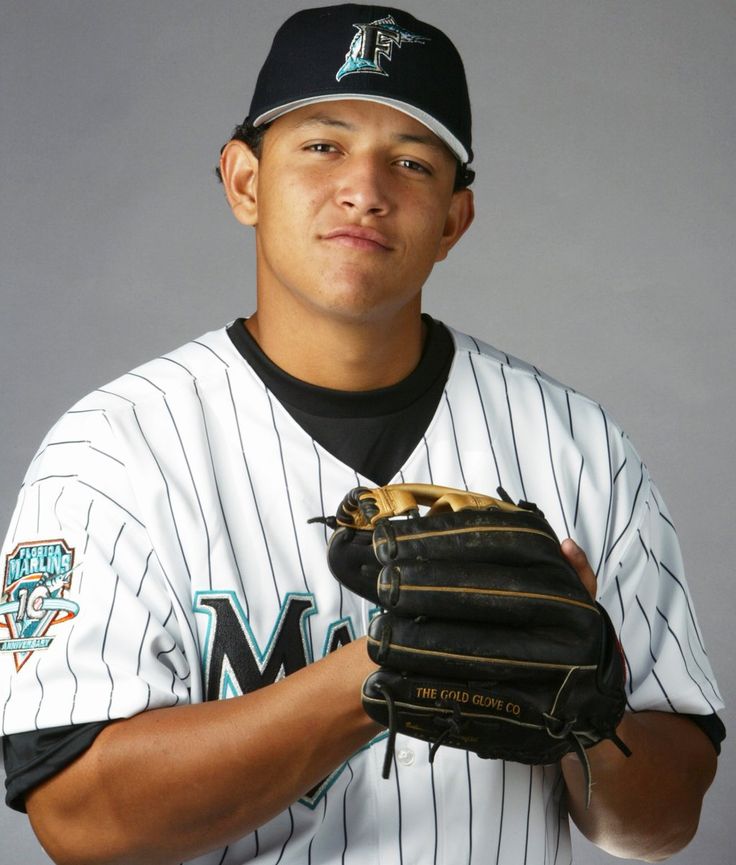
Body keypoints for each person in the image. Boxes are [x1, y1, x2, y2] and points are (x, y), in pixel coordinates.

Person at [0, 5, 724, 864]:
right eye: (321, 145)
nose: (365, 189)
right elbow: (80, 820)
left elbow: (664, 820)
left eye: (411, 161)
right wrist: (377, 672)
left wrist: (583, 708)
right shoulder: (112, 451)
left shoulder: (578, 445)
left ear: (454, 219)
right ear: (244, 182)